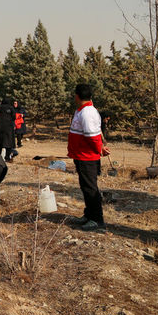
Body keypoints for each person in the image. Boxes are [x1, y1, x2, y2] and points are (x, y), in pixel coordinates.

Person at [68, 84, 109, 231]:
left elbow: (92, 137)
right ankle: (89, 215)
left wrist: (100, 149)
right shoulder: (81, 110)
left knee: (91, 188)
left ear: (77, 96)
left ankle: (97, 220)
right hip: (81, 156)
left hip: (87, 158)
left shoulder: (87, 113)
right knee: (85, 187)